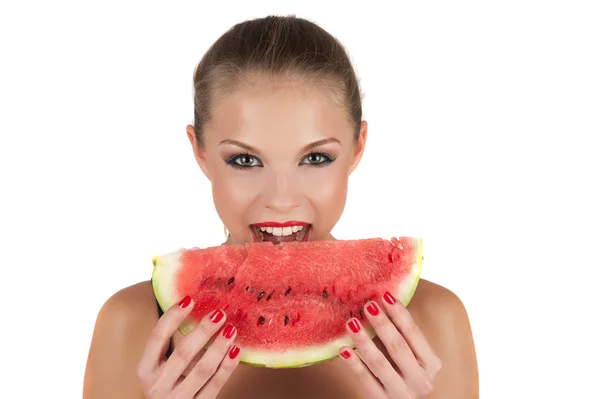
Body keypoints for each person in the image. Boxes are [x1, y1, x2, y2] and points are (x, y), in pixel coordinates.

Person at [83, 15, 478, 399]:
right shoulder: (133, 325)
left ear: (358, 147)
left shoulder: (434, 321)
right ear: (200, 152)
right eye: (244, 160)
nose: (281, 198)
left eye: (316, 158)